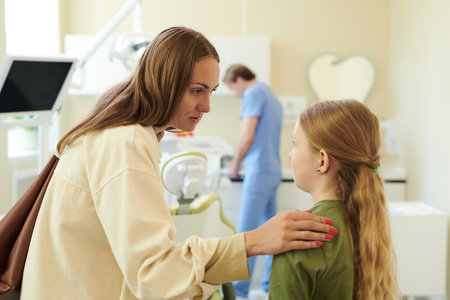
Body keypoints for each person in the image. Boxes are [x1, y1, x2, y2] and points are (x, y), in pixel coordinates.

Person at [21, 27, 337, 300]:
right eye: (197, 91)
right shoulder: (124, 142)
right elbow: (156, 276)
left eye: (211, 91)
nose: (207, 106)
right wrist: (253, 242)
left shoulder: (119, 133)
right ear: (163, 83)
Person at [269, 100, 399, 299]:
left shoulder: (300, 237)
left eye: (295, 144)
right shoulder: (368, 224)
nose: (290, 154)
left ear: (322, 160)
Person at [222, 65, 283, 299]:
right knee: (271, 232)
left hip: (258, 172)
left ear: (238, 79)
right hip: (272, 170)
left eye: (232, 88)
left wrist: (235, 165)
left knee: (245, 234)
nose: (235, 94)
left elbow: (247, 136)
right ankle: (270, 286)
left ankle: (239, 292)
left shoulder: (253, 93)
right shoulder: (271, 95)